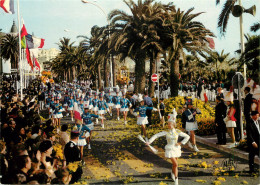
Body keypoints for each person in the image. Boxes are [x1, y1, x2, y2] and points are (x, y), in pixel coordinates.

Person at [146, 110, 190, 185]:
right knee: (176, 164)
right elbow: (156, 135)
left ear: (173, 125)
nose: (168, 125)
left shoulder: (177, 131)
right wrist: (149, 142)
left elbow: (187, 136)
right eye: (168, 124)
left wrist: (180, 143)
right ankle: (176, 180)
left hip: (176, 149)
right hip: (169, 149)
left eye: (170, 124)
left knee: (174, 164)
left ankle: (172, 173)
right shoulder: (166, 132)